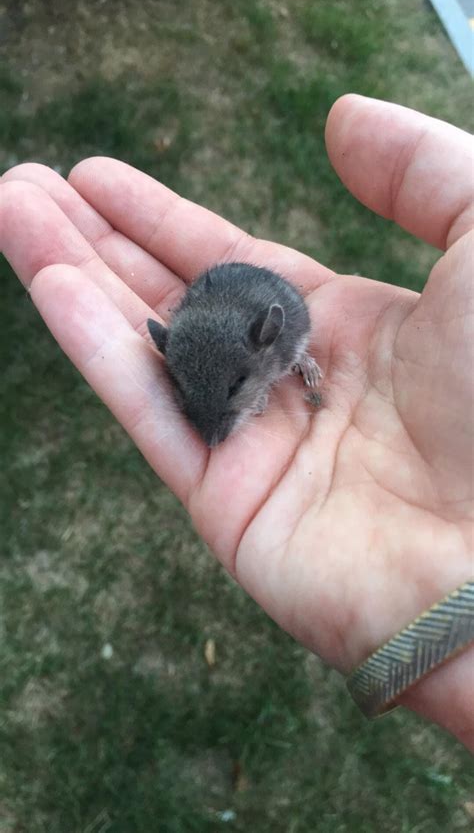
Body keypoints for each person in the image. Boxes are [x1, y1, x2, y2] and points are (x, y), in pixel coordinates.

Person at [1, 95, 472, 748]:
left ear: (268, 347)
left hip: (254, 313)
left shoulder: (279, 332)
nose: (213, 433)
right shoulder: (189, 346)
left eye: (231, 398)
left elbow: (271, 347)